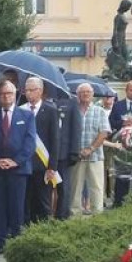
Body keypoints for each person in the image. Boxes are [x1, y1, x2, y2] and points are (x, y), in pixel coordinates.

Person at [0, 81, 36, 254]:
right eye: (1, 94)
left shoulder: (27, 115)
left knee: (17, 207)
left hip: (18, 169)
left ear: (15, 94)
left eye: (8, 93)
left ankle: (16, 242)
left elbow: (30, 143)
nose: (5, 96)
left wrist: (16, 161)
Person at [21, 78, 58, 223]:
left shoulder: (50, 110)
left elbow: (55, 140)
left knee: (43, 202)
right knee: (26, 201)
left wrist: (52, 167)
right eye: (26, 90)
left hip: (43, 163)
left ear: (41, 91)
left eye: (32, 90)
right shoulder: (21, 109)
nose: (29, 94)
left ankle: (43, 230)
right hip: (25, 164)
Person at [69, 83, 110, 216]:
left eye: (88, 92)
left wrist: (91, 148)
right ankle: (74, 217)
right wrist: (79, 150)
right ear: (77, 95)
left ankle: (97, 217)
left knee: (96, 188)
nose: (85, 94)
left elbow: (104, 133)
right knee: (75, 188)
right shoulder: (72, 110)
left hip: (96, 156)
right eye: (82, 92)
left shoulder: (100, 111)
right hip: (77, 156)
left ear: (92, 95)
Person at [52, 91, 82, 220]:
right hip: (43, 154)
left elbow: (76, 128)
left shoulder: (71, 101)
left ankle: (62, 216)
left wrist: (74, 151)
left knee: (63, 187)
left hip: (63, 153)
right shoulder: (43, 99)